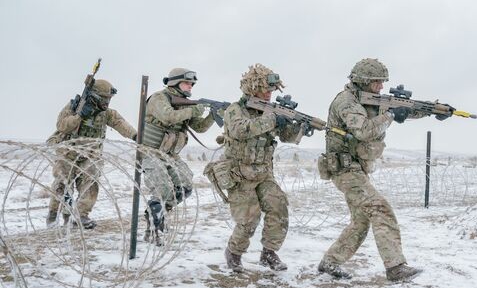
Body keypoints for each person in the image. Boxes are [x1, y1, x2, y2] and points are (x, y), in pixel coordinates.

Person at [317, 58, 450, 282]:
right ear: (363, 81)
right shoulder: (346, 102)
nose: (381, 86)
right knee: (380, 209)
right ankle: (396, 267)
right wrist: (390, 116)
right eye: (377, 82)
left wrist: (431, 110)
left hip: (357, 169)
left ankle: (330, 262)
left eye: (382, 82)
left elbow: (404, 110)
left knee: (360, 221)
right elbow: (363, 130)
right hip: (344, 170)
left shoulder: (369, 99)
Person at [219, 64, 301, 272]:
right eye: (265, 90)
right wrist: (273, 118)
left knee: (279, 208)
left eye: (271, 91)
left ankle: (269, 253)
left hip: (264, 173)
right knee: (248, 219)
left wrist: (295, 125)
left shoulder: (269, 110)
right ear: (252, 88)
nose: (269, 94)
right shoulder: (235, 110)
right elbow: (240, 130)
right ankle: (234, 253)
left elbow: (288, 138)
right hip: (240, 173)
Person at [46, 79, 137, 229]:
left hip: (90, 154)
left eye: (109, 99)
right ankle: (53, 213)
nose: (107, 102)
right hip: (68, 152)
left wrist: (135, 136)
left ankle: (81, 215)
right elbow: (62, 126)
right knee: (62, 184)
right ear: (94, 96)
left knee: (91, 182)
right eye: (104, 98)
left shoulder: (107, 114)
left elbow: (121, 123)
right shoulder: (74, 107)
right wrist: (79, 116)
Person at [142, 68, 216, 246]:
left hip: (171, 155)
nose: (190, 86)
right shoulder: (159, 98)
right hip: (151, 152)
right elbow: (168, 117)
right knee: (162, 189)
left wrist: (214, 115)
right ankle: (153, 229)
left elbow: (200, 128)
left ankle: (158, 215)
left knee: (185, 187)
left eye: (192, 84)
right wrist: (194, 110)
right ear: (175, 82)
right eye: (187, 83)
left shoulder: (185, 104)